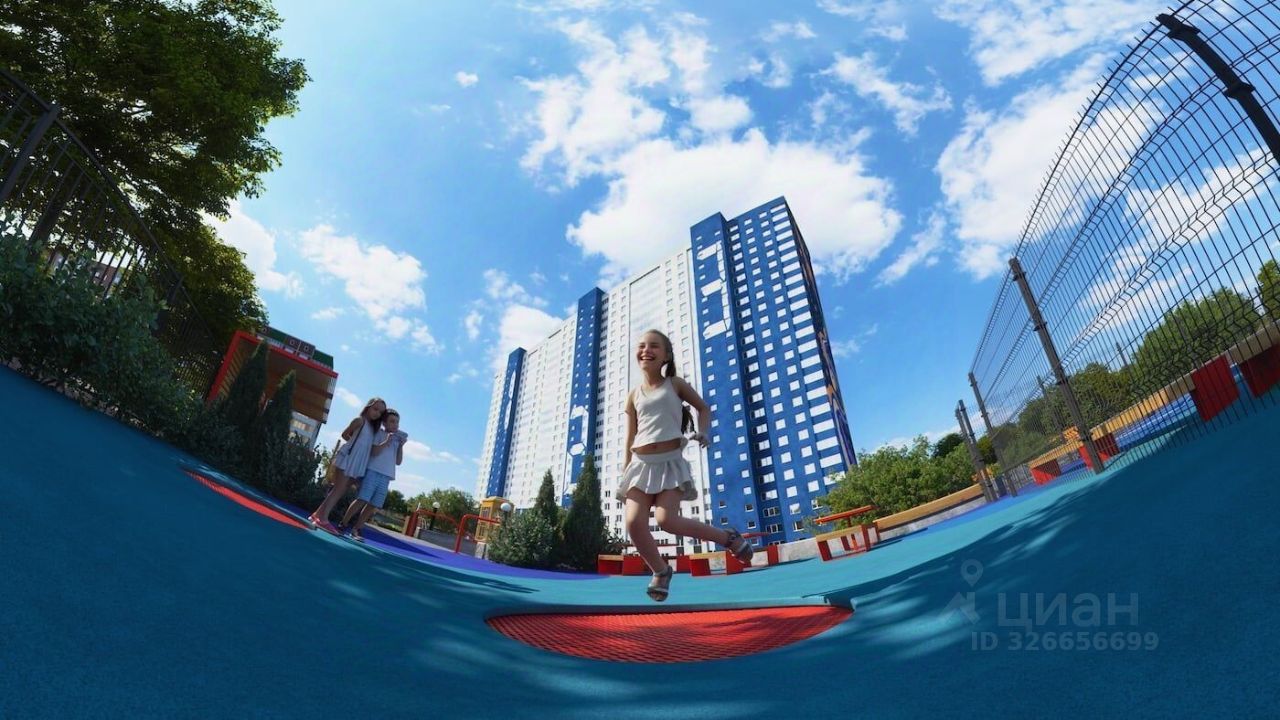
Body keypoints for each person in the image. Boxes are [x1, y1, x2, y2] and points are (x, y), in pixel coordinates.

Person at [618, 329, 754, 601]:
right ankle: (660, 571)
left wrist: (703, 432)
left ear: (666, 355)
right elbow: (630, 435)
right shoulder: (633, 395)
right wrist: (625, 466)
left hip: (669, 463)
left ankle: (727, 537)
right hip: (640, 464)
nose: (646, 350)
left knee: (666, 520)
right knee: (633, 523)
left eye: (654, 346)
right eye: (642, 346)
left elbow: (703, 408)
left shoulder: (675, 384)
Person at [309, 397, 385, 531]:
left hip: (356, 462)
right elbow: (345, 434)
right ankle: (323, 519)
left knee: (339, 490)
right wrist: (355, 445)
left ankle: (318, 514)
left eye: (380, 412)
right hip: (348, 458)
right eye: (375, 409)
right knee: (338, 490)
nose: (377, 413)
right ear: (368, 407)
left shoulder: (372, 428)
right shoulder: (360, 421)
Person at [338, 408, 407, 541]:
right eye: (392, 421)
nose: (395, 425)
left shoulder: (396, 441)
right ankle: (343, 523)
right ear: (384, 423)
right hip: (373, 471)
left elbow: (398, 462)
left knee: (374, 504)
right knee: (362, 499)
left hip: (386, 476)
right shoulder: (379, 434)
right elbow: (373, 452)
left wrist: (400, 446)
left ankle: (356, 529)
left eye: (397, 422)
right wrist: (386, 441)